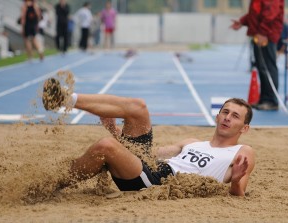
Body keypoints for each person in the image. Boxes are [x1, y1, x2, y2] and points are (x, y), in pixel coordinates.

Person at [42, 78, 255, 196]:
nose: (227, 118)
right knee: (139, 107)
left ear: (243, 128)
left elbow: (239, 192)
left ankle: (49, 185)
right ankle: (64, 98)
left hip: (157, 183)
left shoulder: (242, 152)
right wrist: (114, 131)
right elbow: (147, 154)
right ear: (217, 117)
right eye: (225, 112)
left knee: (106, 146)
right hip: (149, 167)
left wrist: (236, 182)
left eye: (235, 116)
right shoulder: (192, 142)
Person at [231, 0, 284, 111]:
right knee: (261, 67)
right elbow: (256, 12)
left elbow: (271, 13)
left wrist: (263, 32)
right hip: (259, 33)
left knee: (268, 67)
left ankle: (271, 101)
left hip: (267, 35)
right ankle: (264, 99)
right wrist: (242, 21)